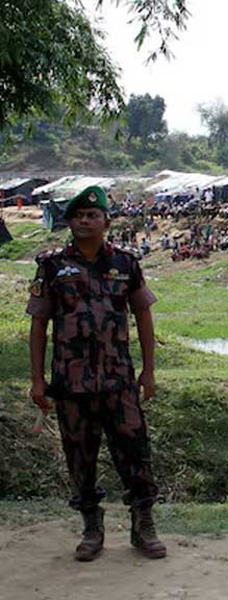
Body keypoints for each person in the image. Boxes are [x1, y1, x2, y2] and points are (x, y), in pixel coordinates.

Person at [26, 186, 166, 562]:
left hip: (119, 381)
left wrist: (149, 371)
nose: (85, 221)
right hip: (70, 384)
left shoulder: (126, 263)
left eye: (92, 215)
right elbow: (39, 325)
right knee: (80, 457)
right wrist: (38, 380)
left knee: (135, 452)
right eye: (78, 216)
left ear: (106, 221)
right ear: (69, 222)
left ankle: (143, 524)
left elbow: (144, 316)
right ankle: (92, 526)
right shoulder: (51, 266)